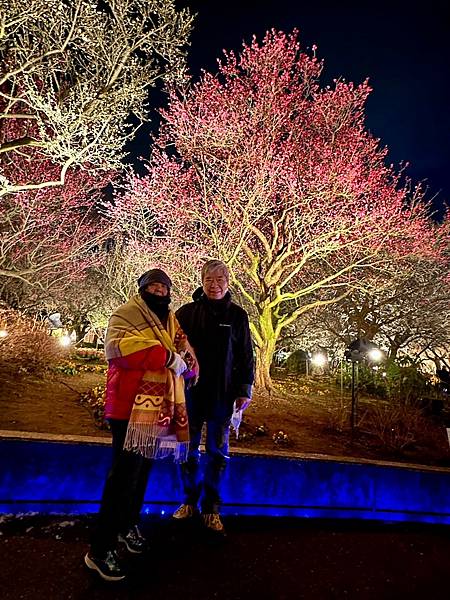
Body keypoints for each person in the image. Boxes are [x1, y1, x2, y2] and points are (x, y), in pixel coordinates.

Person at [84, 268, 197, 581]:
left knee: (141, 472)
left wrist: (188, 360)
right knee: (122, 477)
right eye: (154, 287)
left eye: (164, 288)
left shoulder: (170, 319)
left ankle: (126, 524)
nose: (159, 292)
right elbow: (118, 350)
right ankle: (99, 549)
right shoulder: (126, 313)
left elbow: (183, 346)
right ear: (143, 289)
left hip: (156, 407)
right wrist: (166, 358)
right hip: (127, 408)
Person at [173, 259, 254, 534]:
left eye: (220, 279)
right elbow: (174, 351)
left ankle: (212, 508)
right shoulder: (185, 313)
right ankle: (188, 502)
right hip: (191, 394)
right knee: (187, 451)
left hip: (223, 394)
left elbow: (246, 356)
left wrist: (244, 389)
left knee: (218, 453)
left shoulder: (238, 317)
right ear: (201, 281)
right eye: (209, 279)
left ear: (228, 282)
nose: (214, 284)